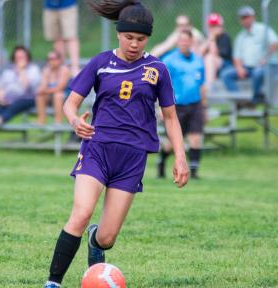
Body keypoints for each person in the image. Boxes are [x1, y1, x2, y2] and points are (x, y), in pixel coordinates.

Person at [43, 1, 189, 287]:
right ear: (118, 34)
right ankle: (53, 281)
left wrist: (180, 157)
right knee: (81, 213)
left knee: (107, 238)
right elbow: (70, 103)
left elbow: (171, 118)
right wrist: (75, 121)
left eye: (141, 39)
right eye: (129, 37)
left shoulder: (157, 69)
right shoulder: (100, 63)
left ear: (148, 38)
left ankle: (95, 240)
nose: (134, 44)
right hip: (97, 149)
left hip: (133, 158)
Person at [159, 29, 206, 179]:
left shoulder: (198, 60)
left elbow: (202, 85)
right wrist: (160, 107)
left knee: (196, 138)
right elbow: (160, 86)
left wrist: (205, 107)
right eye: (181, 40)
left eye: (187, 40)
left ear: (191, 42)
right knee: (170, 143)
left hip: (195, 103)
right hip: (176, 106)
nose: (184, 43)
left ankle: (194, 172)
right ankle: (162, 162)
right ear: (178, 42)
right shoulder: (169, 60)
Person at [233, 5, 278, 104]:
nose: (245, 20)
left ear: (253, 17)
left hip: (266, 66)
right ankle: (240, 101)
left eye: (247, 17)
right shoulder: (240, 36)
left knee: (257, 72)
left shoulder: (263, 29)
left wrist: (265, 58)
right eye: (242, 18)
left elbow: (275, 43)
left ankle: (255, 100)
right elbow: (236, 56)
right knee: (226, 74)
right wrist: (239, 68)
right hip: (248, 68)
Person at [0, 46, 41, 127]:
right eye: (17, 57)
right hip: (9, 98)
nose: (20, 59)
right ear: (14, 58)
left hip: (28, 98)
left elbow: (27, 87)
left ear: (27, 57)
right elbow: (0, 87)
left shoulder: (33, 69)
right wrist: (0, 99)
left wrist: (21, 70)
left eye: (22, 57)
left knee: (16, 104)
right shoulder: (8, 70)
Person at [199, 13, 238, 92]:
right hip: (210, 67)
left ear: (221, 26)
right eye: (211, 26)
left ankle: (209, 87)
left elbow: (214, 54)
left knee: (209, 58)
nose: (213, 28)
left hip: (226, 66)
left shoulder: (225, 37)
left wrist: (212, 39)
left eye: (215, 26)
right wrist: (209, 39)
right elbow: (198, 54)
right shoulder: (207, 37)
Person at [44, 0, 80, 73]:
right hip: (50, 6)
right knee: (57, 38)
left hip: (68, 5)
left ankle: (75, 68)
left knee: (71, 37)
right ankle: (61, 67)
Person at [35, 50, 71, 124]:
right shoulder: (46, 70)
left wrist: (44, 90)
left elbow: (60, 88)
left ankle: (58, 121)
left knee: (58, 95)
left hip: (65, 96)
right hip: (51, 95)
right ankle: (41, 119)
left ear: (59, 60)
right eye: (49, 59)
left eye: (53, 59)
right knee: (40, 96)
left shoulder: (64, 70)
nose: (51, 61)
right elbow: (43, 86)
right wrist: (41, 90)